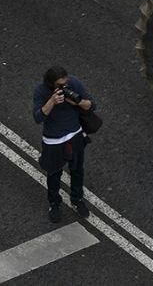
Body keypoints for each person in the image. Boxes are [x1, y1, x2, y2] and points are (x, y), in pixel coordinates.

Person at [33, 66, 94, 223]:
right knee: (54, 174)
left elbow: (91, 106)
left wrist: (78, 102)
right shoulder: (41, 91)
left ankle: (77, 199)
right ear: (51, 84)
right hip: (54, 140)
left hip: (75, 135)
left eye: (66, 82)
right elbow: (38, 117)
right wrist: (52, 102)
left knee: (77, 170)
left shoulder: (74, 83)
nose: (65, 86)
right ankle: (54, 203)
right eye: (60, 85)